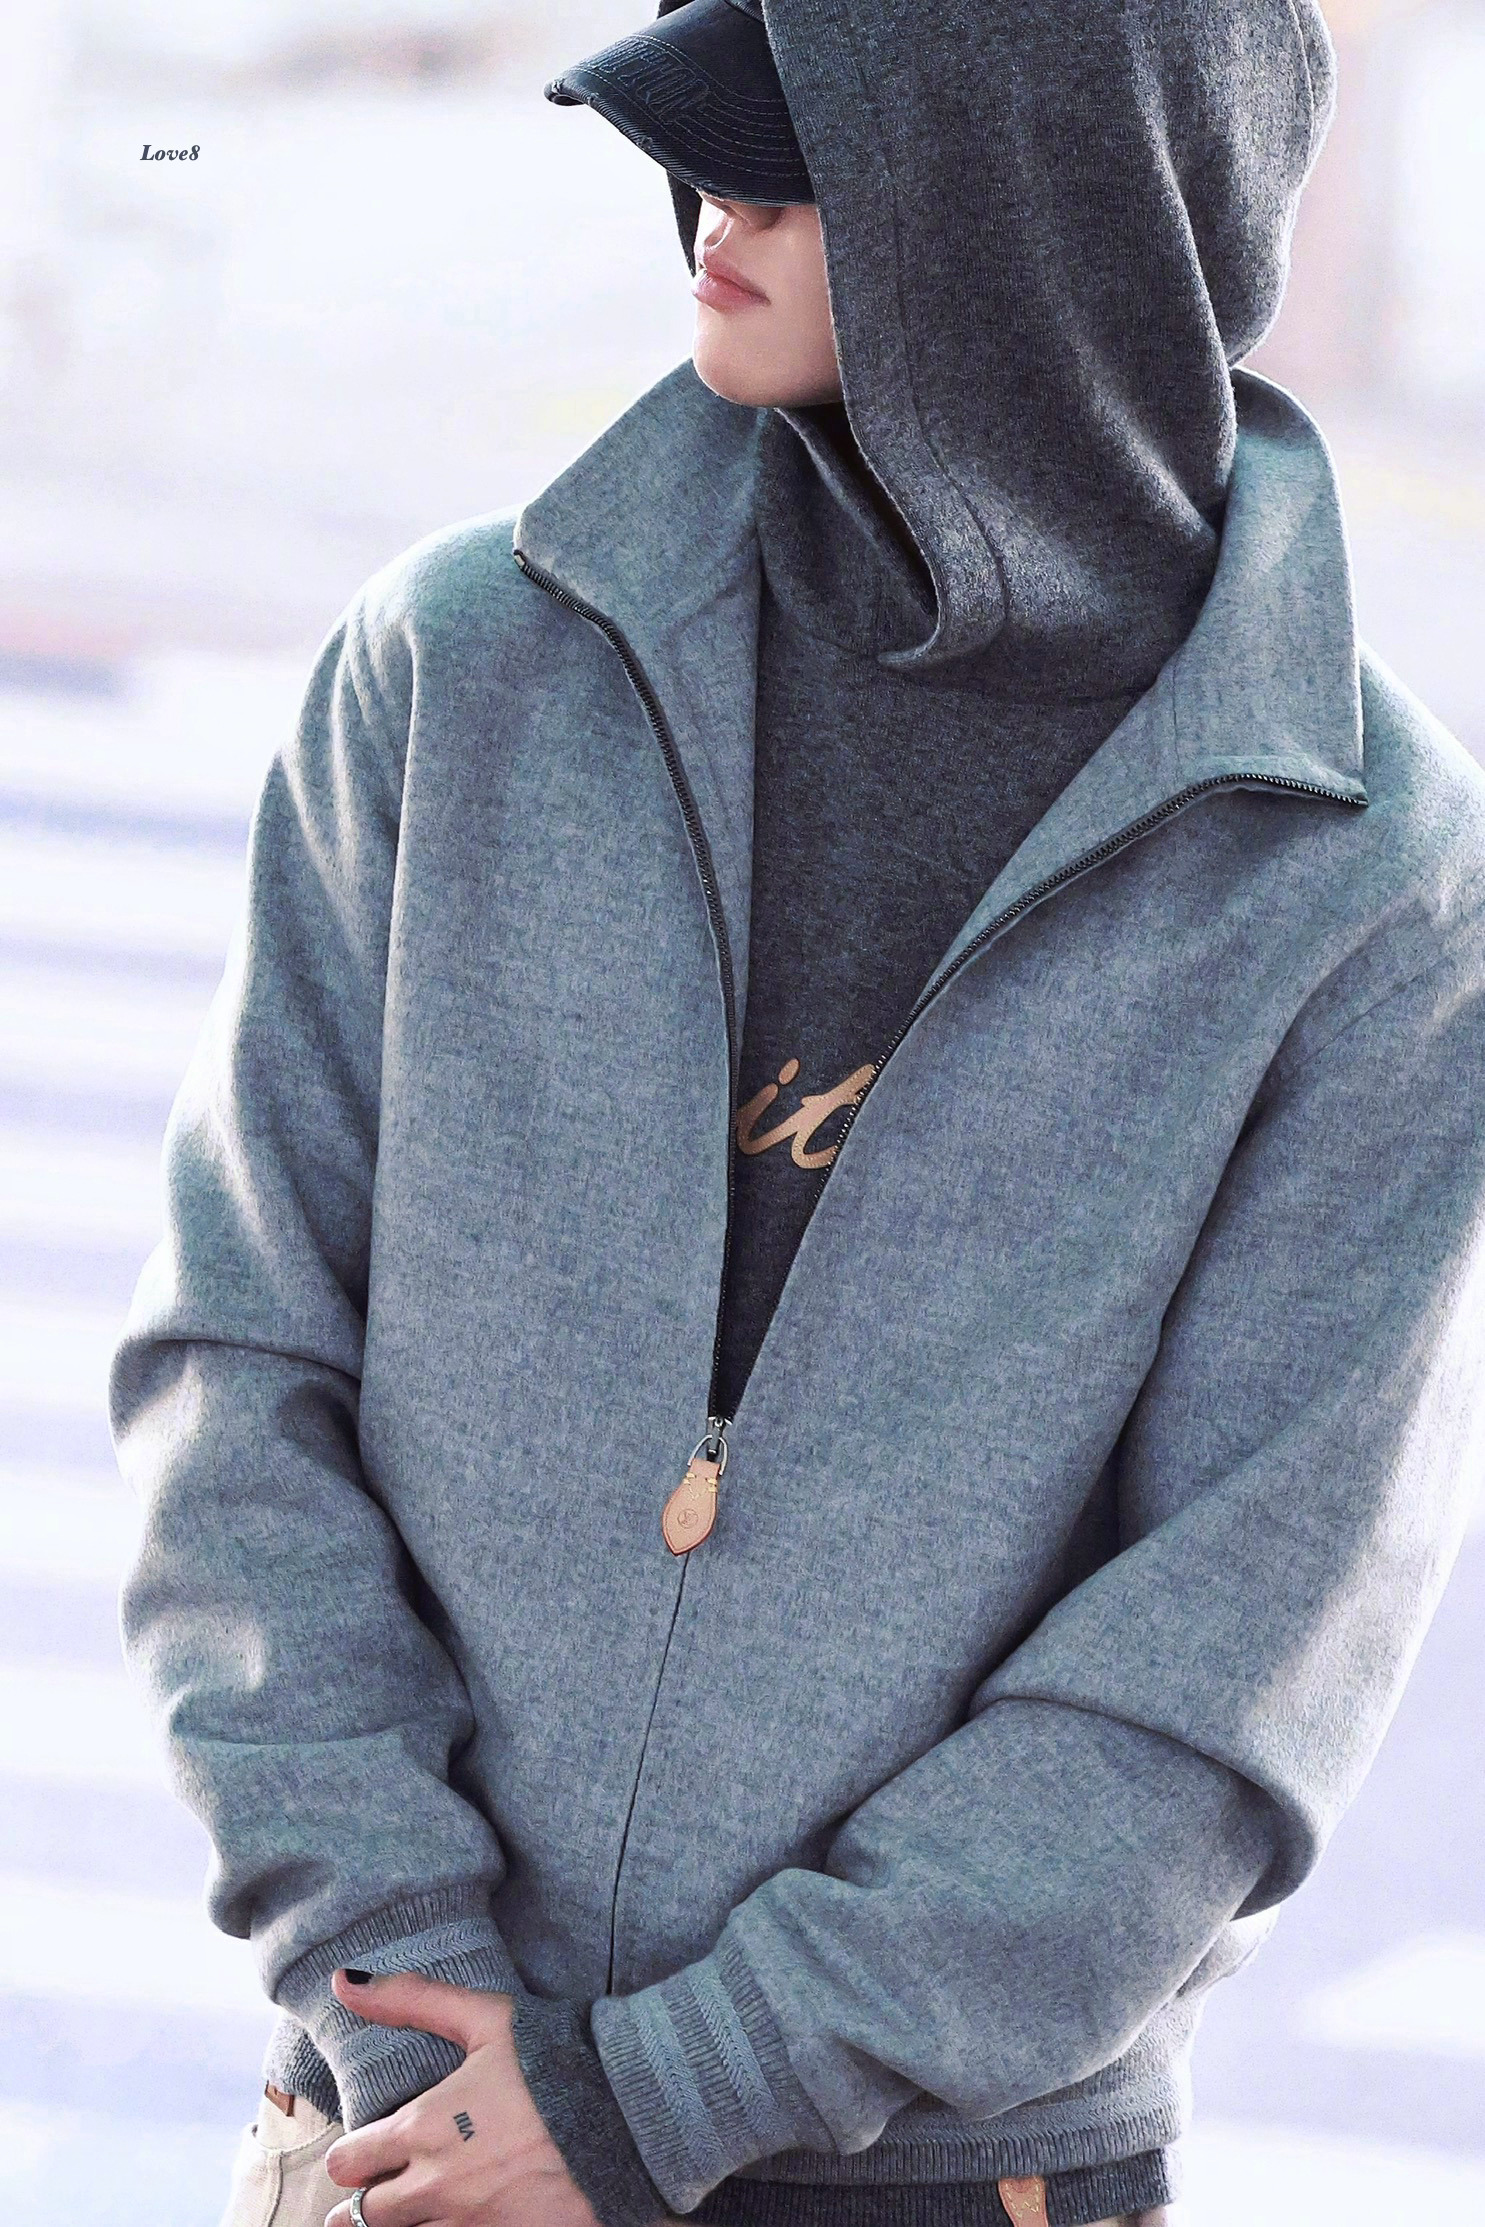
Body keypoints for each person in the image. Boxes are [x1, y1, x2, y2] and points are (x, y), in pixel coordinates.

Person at [109, 2, 1485, 2226]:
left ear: (1040, 214)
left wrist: (668, 2088)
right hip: (395, 2129)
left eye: (806, 150)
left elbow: (1227, 1659)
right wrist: (405, 2000)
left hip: (950, 2180)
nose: (711, 202)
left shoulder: (1362, 878)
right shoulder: (459, 668)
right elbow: (236, 1369)